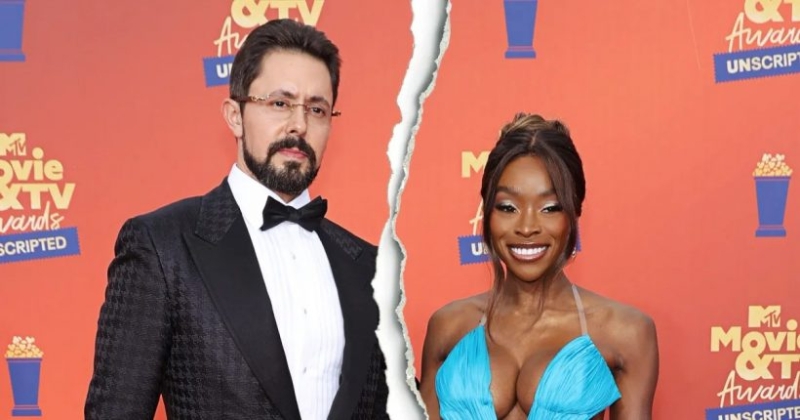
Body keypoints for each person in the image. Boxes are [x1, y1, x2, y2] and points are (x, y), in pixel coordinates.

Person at [85, 19, 388, 420]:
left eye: (317, 109)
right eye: (280, 103)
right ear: (234, 115)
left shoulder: (369, 266)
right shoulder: (162, 246)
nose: (299, 125)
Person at [419, 113, 659, 419]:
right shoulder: (448, 325)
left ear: (574, 213)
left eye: (550, 208)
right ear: (487, 212)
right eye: (508, 207)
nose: (527, 227)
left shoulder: (626, 331)